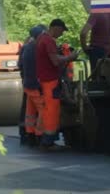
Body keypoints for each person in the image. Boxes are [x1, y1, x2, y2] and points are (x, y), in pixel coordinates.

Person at [36, 19, 78, 150]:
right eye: (61, 30)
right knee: (52, 110)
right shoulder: (48, 40)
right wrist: (70, 57)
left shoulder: (41, 38)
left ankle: (46, 139)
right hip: (50, 80)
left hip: (44, 79)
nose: (61, 34)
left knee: (48, 109)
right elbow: (55, 61)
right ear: (55, 27)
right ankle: (48, 141)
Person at [18, 24, 47, 147]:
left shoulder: (26, 47)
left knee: (30, 111)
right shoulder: (39, 48)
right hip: (37, 85)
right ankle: (40, 136)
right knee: (43, 110)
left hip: (27, 84)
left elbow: (20, 65)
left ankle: (29, 135)